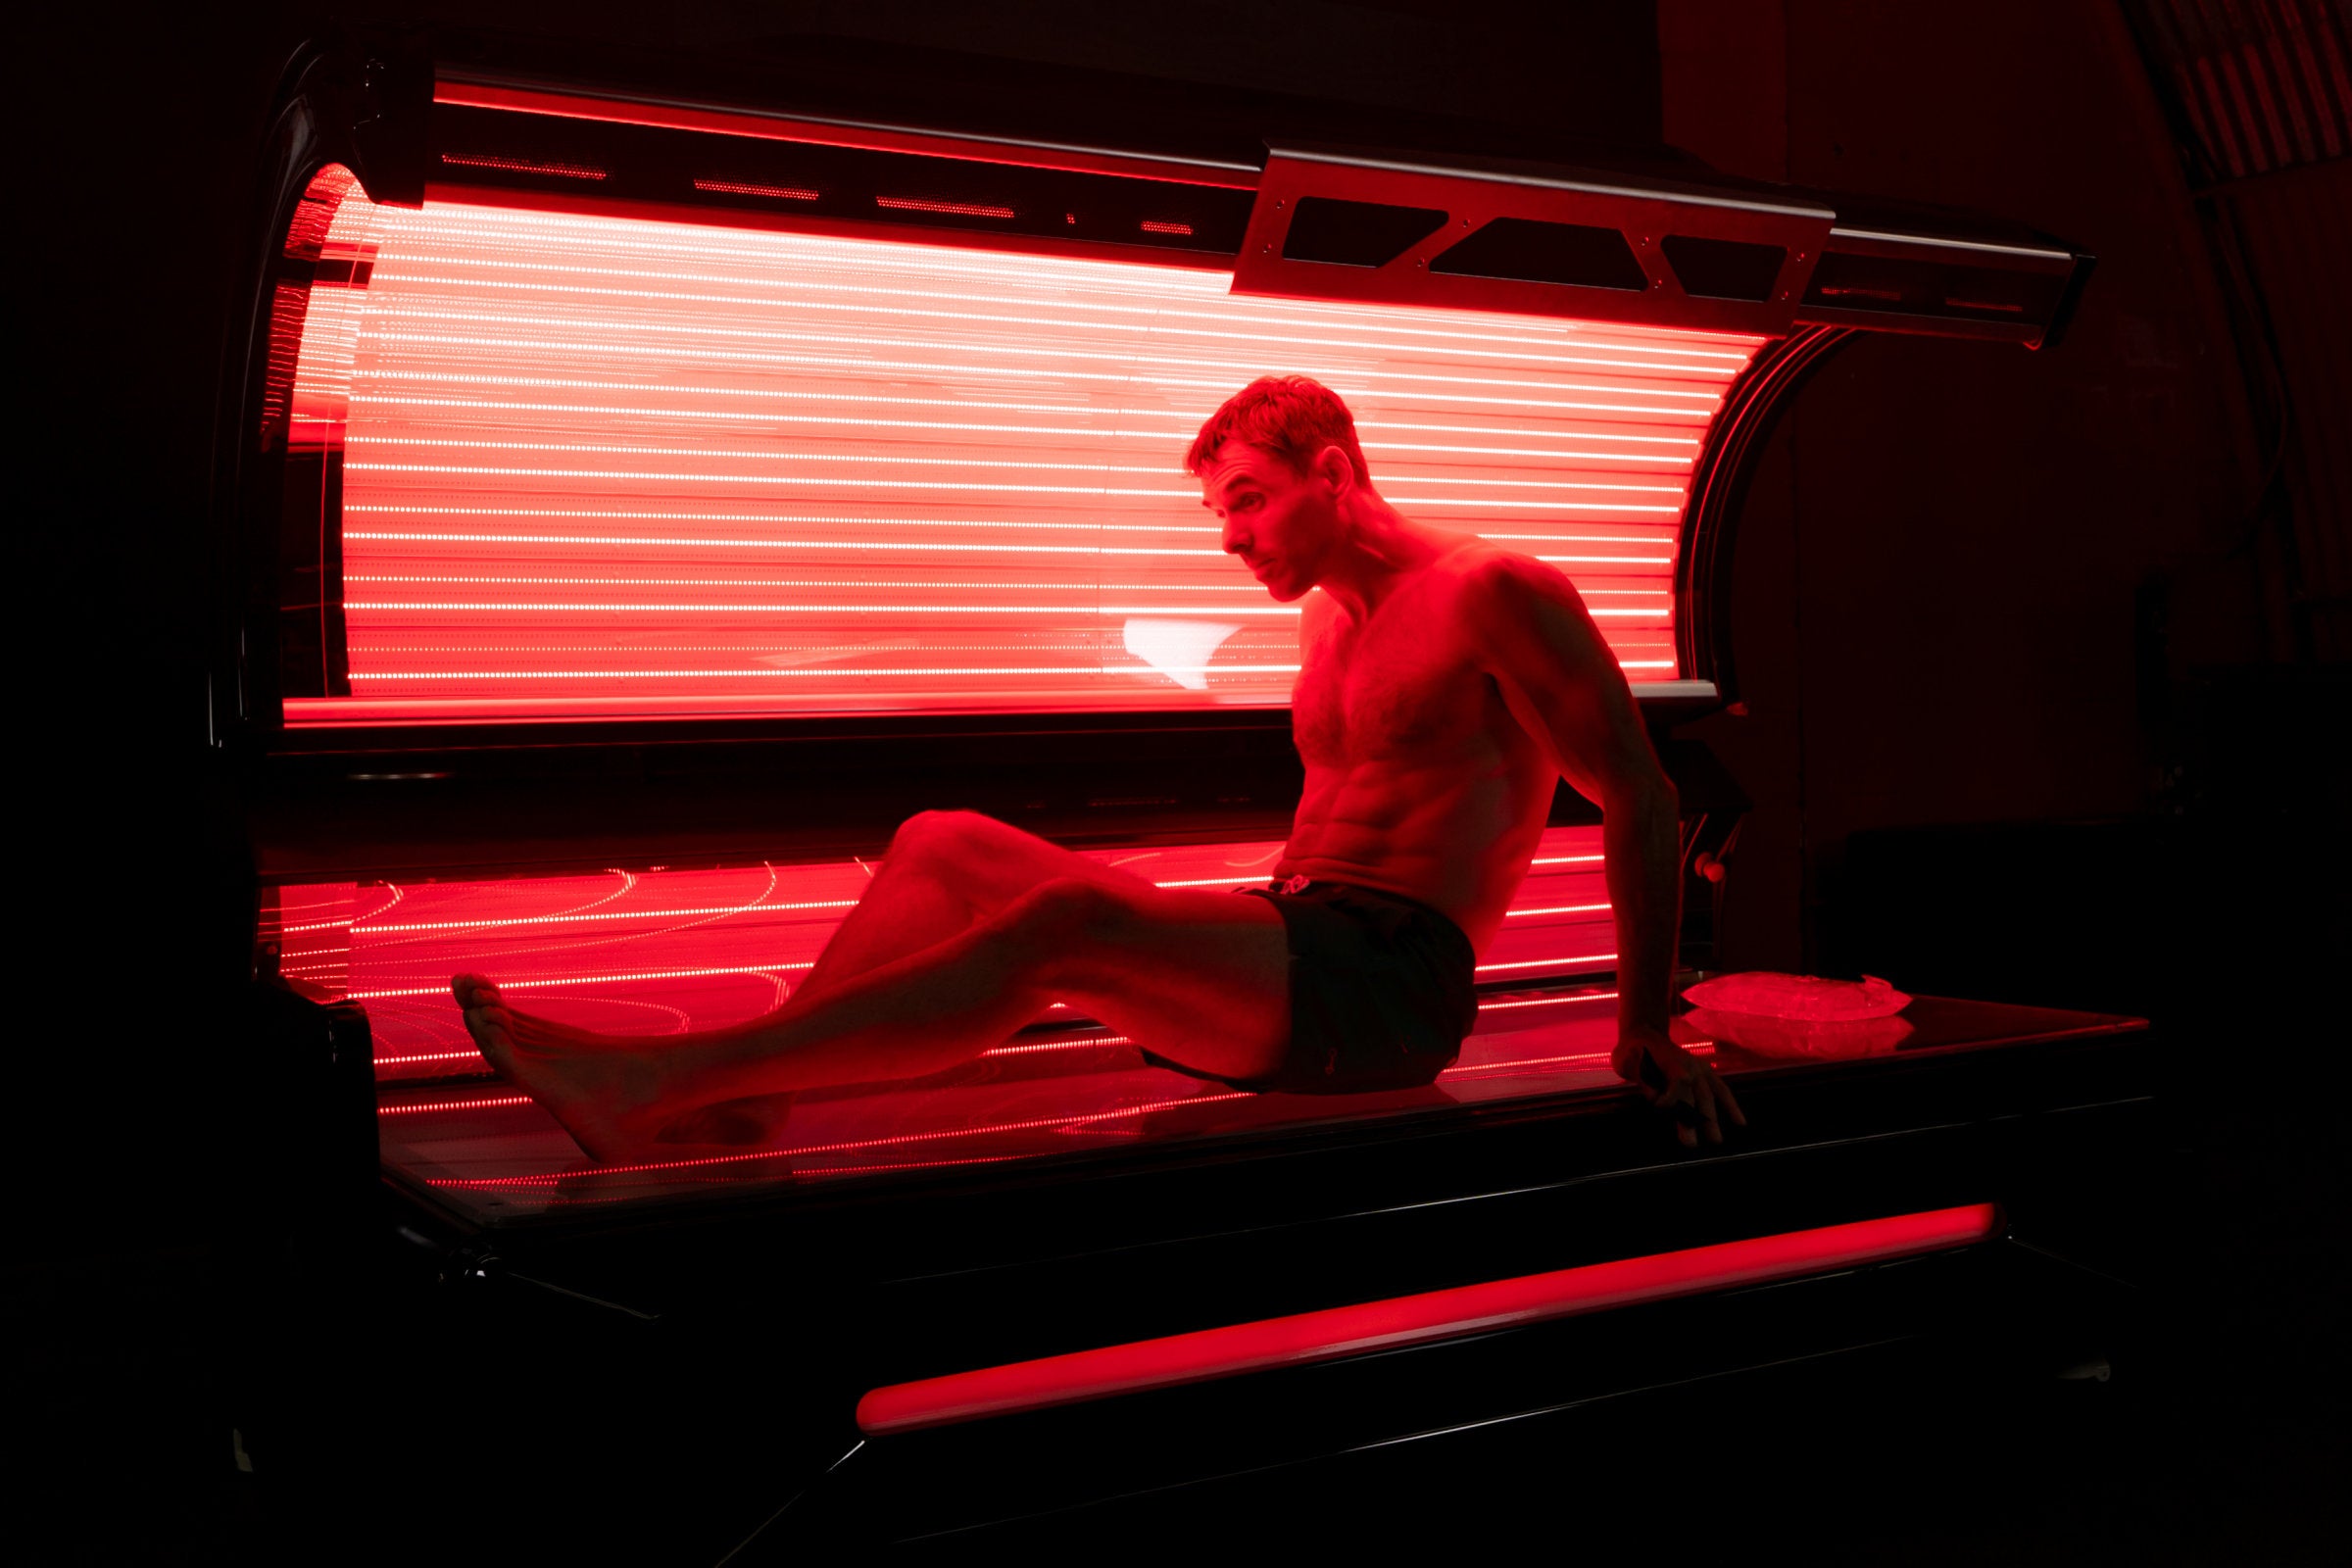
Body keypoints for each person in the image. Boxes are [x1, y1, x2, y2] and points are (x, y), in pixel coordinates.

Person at [454, 374, 1743, 1159]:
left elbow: (1639, 791)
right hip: (1297, 938)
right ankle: (751, 1101)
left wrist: (1646, 1028)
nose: (1230, 537)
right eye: (1217, 514)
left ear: (1333, 470)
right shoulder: (1325, 619)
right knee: (941, 837)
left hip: (1390, 990)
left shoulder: (1495, 589)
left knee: (1064, 919)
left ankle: (658, 1086)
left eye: (1246, 499)